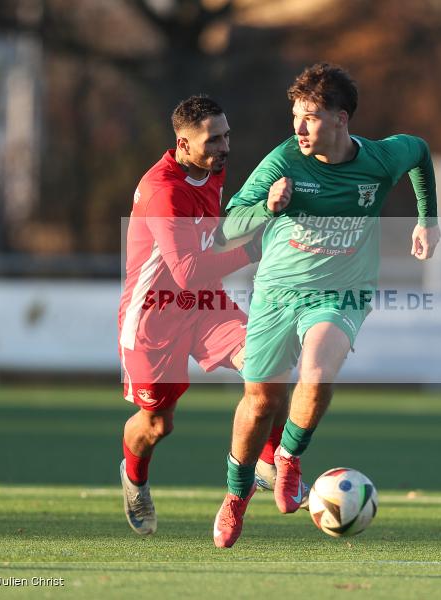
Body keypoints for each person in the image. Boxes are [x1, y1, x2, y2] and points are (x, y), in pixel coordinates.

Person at [212, 64, 441, 548]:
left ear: (341, 119)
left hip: (341, 294)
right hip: (276, 293)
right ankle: (236, 496)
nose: (298, 127)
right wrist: (267, 208)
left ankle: (288, 458)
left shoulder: (380, 159)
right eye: (295, 116)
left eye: (310, 117)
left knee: (316, 375)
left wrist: (427, 219)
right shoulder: (283, 161)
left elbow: (419, 151)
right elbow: (226, 229)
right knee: (261, 402)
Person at [118, 95, 284, 536]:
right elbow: (188, 272)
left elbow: (214, 237)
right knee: (157, 425)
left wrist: (267, 211)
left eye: (226, 136)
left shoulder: (212, 169)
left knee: (269, 362)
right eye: (213, 140)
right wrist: (254, 249)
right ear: (183, 144)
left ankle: (270, 464)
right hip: (153, 316)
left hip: (206, 305)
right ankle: (134, 478)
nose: (224, 147)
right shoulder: (165, 192)